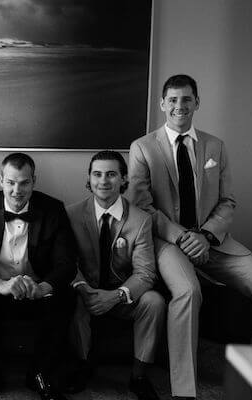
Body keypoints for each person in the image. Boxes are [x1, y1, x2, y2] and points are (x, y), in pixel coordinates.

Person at [128, 74, 252, 400]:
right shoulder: (142, 148)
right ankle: (185, 393)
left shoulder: (216, 147)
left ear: (197, 103)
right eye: (173, 99)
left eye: (186, 99)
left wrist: (207, 236)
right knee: (187, 291)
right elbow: (142, 207)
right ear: (162, 104)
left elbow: (228, 202)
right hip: (168, 243)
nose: (179, 106)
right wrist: (184, 237)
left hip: (213, 241)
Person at [0, 153, 76, 400]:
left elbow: (66, 263)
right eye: (10, 182)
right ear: (0, 180)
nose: (17, 190)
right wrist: (0, 285)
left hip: (37, 291)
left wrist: (42, 287)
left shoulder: (53, 209)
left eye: (24, 183)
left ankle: (40, 374)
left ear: (34, 181)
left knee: (67, 296)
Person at [67, 151, 164, 400]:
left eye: (111, 174)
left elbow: (145, 273)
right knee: (70, 300)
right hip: (86, 293)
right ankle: (83, 366)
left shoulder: (141, 220)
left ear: (123, 180)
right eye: (97, 174)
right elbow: (66, 262)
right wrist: (82, 288)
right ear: (89, 179)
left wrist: (116, 296)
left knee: (154, 302)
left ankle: (138, 376)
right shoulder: (71, 215)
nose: (103, 181)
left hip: (123, 295)